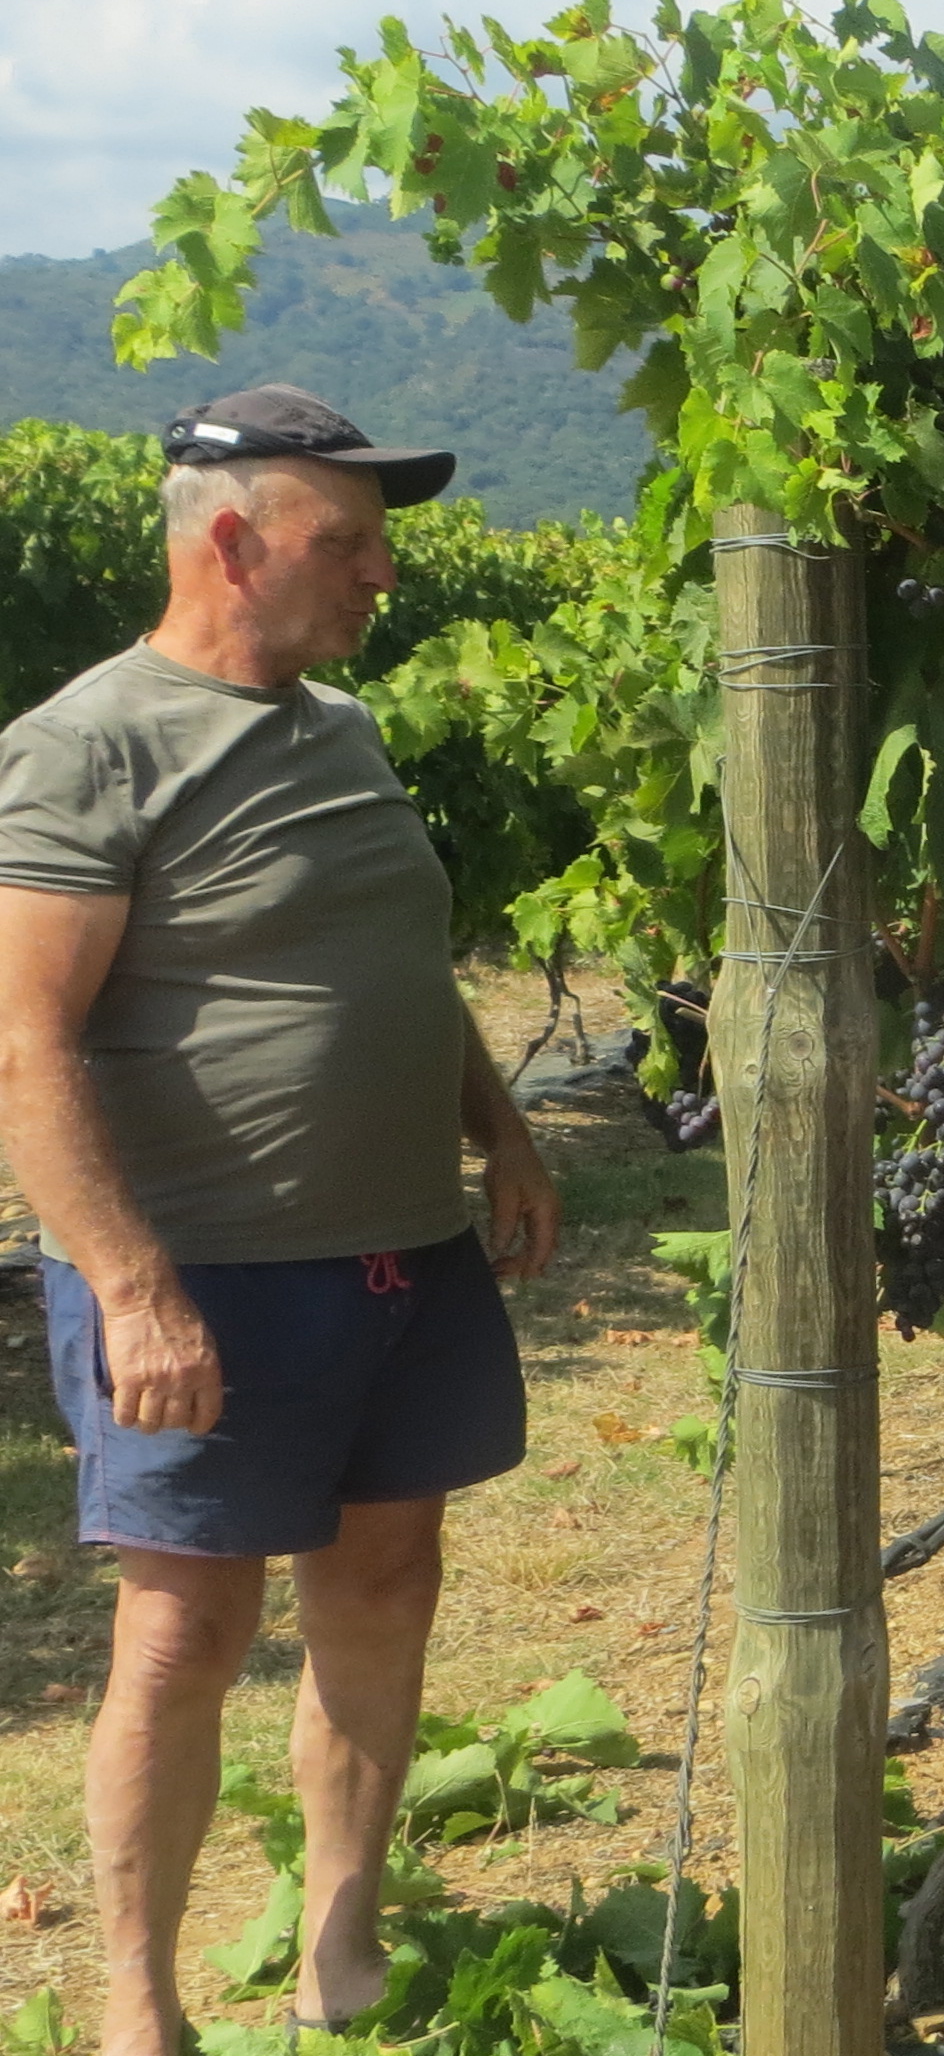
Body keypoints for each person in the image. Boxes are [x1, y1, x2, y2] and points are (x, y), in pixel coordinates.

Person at [0, 386, 560, 2056]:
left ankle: (341, 1936)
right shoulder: (88, 742)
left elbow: (393, 968)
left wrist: (505, 1128)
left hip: (400, 1255)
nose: (385, 573)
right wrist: (130, 1284)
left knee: (387, 1571)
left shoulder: (344, 729)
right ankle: (137, 1998)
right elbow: (24, 1036)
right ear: (233, 542)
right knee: (187, 1629)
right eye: (352, 539)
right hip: (207, 1275)